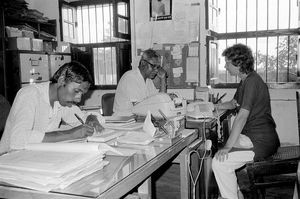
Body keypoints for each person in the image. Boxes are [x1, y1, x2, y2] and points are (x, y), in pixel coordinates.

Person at [211, 44, 280, 199]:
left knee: (219, 162)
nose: (225, 66)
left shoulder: (251, 82)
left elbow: (241, 116)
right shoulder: (246, 80)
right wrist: (212, 106)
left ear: (238, 64)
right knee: (219, 151)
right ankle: (235, 194)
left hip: (260, 141)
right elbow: (233, 103)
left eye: (227, 63)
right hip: (255, 136)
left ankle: (231, 196)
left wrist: (228, 147)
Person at [0, 61, 104, 154]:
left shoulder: (62, 101)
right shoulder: (30, 94)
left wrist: (91, 118)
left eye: (82, 94)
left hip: (37, 158)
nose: (78, 99)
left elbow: (83, 118)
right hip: (10, 159)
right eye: (76, 91)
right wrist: (69, 134)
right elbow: (17, 139)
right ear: (62, 81)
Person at [113, 49, 167, 116]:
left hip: (137, 120)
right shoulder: (130, 78)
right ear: (143, 63)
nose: (156, 70)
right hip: (124, 121)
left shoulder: (148, 80)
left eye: (158, 67)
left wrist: (163, 79)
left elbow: (160, 101)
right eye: (153, 66)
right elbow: (139, 109)